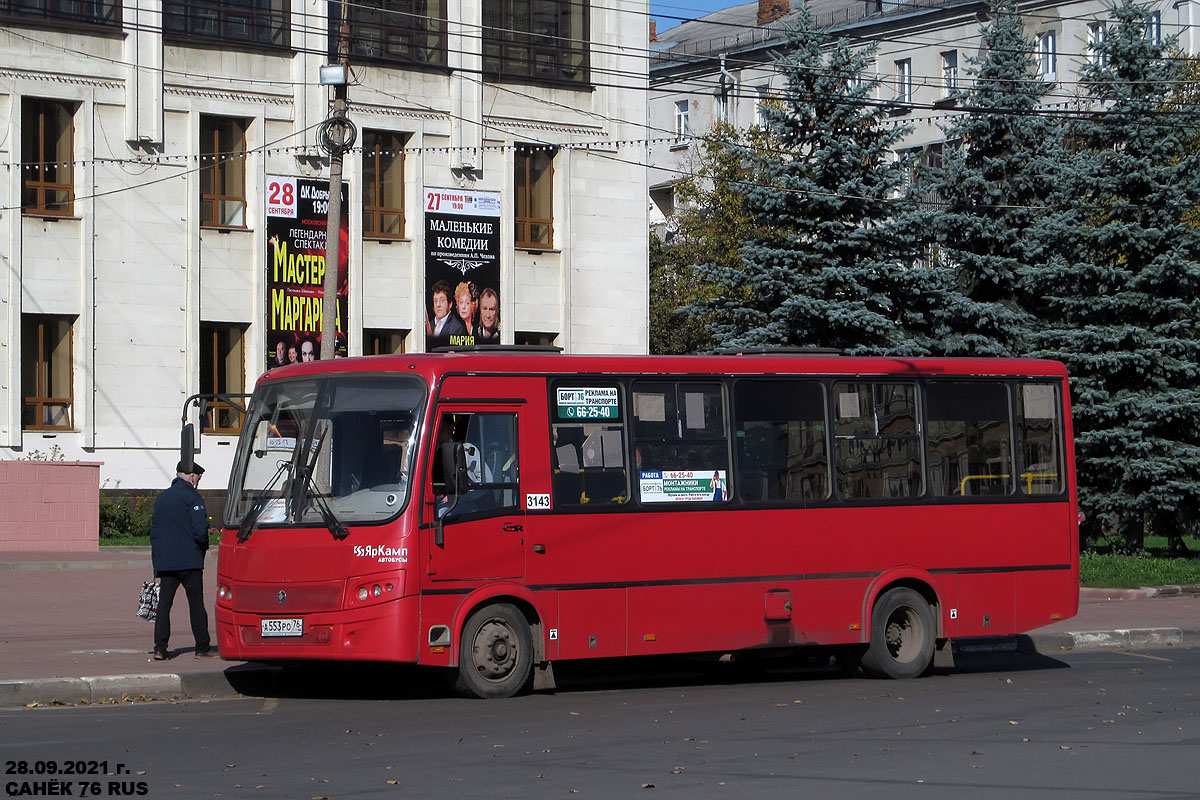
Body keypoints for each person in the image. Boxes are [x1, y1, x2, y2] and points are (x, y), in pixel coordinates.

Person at [149, 461, 216, 660]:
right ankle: (202, 648)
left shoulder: (162, 498)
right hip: (190, 561)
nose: (197, 483)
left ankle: (160, 648)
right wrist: (203, 546)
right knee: (196, 603)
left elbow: (154, 532)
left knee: (164, 605)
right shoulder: (193, 497)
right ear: (192, 476)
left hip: (166, 562)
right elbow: (199, 531)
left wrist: (157, 562)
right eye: (198, 479)